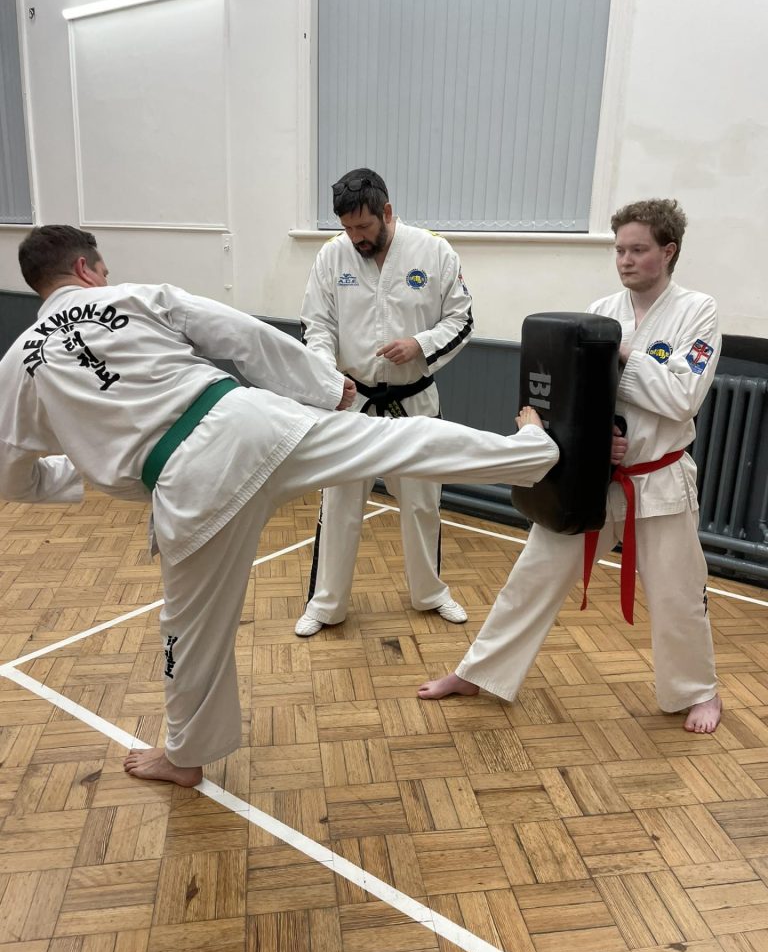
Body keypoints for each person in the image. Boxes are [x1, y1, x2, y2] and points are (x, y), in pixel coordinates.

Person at [0, 225, 559, 787]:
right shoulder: (134, 297)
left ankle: (185, 755)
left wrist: (70, 470)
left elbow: (11, 475)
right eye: (101, 269)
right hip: (254, 421)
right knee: (401, 440)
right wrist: (323, 386)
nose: (105, 277)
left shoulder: (17, 363)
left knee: (189, 626)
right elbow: (237, 332)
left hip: (189, 484)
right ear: (84, 269)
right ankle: (531, 453)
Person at [419, 199, 723, 735]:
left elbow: (682, 397)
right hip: (595, 477)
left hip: (660, 477)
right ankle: (478, 672)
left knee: (678, 593)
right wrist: (598, 439)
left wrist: (620, 354)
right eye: (619, 250)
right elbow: (584, 395)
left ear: (668, 251)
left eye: (638, 250)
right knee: (531, 575)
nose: (625, 260)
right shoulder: (602, 309)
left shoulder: (698, 311)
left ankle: (699, 692)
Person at [295, 168, 474, 638]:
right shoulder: (332, 257)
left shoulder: (433, 251)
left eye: (364, 228)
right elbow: (316, 325)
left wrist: (420, 344)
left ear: (387, 212)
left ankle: (430, 593)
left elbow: (462, 318)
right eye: (348, 228)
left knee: (422, 504)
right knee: (338, 506)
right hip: (352, 404)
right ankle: (325, 604)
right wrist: (326, 374)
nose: (356, 237)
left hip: (412, 403)